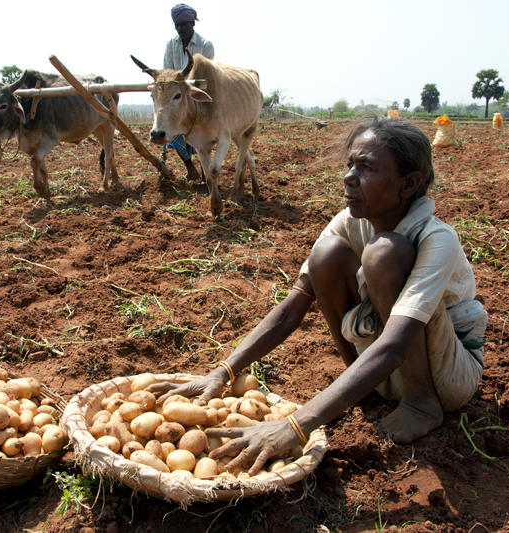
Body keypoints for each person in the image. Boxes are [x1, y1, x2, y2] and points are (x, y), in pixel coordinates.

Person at [148, 115, 488, 475]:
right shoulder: (349, 221)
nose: (348, 177)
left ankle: (420, 405)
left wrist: (294, 426)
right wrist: (224, 372)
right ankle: (364, 390)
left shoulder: (438, 239)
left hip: (446, 376)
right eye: (350, 165)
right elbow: (291, 309)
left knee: (385, 253)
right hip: (383, 367)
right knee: (325, 254)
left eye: (367, 168)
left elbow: (396, 344)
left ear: (409, 184)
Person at [162, 3, 214, 182]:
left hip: (196, 95)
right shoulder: (171, 45)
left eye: (183, 24)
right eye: (177, 25)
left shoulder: (205, 45)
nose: (179, 28)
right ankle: (190, 167)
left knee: (201, 133)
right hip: (177, 98)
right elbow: (167, 73)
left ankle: (205, 171)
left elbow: (207, 74)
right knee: (171, 128)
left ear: (193, 23)